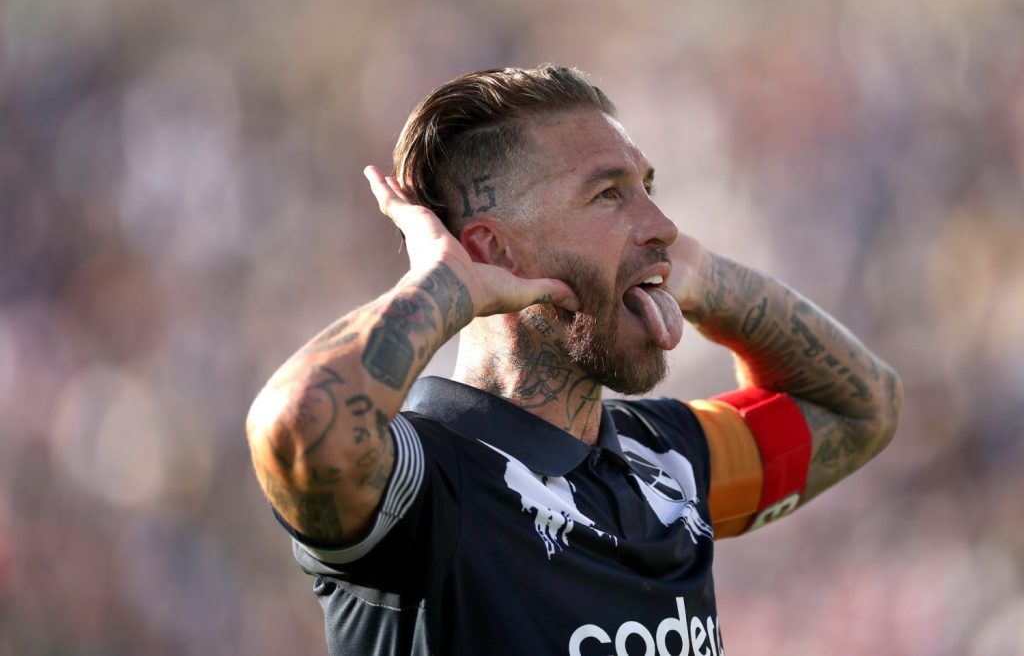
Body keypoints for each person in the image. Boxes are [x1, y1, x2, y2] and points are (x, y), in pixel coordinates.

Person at [245, 65, 902, 656]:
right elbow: (302, 425)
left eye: (647, 185)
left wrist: (707, 280)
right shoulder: (429, 487)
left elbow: (862, 408)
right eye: (609, 194)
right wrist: (441, 285)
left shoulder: (667, 460)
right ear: (497, 253)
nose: (663, 224)